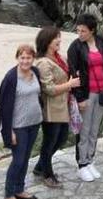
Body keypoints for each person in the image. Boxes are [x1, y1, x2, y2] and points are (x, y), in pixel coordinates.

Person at [67, 13, 103, 181]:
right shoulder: (75, 48)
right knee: (85, 130)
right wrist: (80, 98)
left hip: (102, 93)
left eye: (83, 31)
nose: (80, 34)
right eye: (78, 30)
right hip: (87, 94)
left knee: (95, 129)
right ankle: (81, 163)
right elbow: (73, 74)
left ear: (92, 30)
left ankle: (90, 160)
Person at [33, 27, 80, 188]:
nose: (59, 40)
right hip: (51, 108)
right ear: (47, 42)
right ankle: (48, 174)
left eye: (59, 37)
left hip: (62, 105)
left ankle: (40, 167)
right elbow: (49, 89)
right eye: (56, 38)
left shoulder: (59, 57)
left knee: (60, 139)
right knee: (50, 141)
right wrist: (69, 84)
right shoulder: (43, 63)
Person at [0, 45, 43, 199]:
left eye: (28, 58)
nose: (25, 61)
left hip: (34, 122)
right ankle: (9, 194)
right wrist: (8, 130)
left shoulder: (35, 72)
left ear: (33, 59)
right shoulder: (11, 77)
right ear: (17, 58)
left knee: (26, 158)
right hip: (18, 126)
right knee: (18, 160)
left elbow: (39, 94)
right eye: (22, 58)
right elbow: (3, 107)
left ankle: (19, 189)